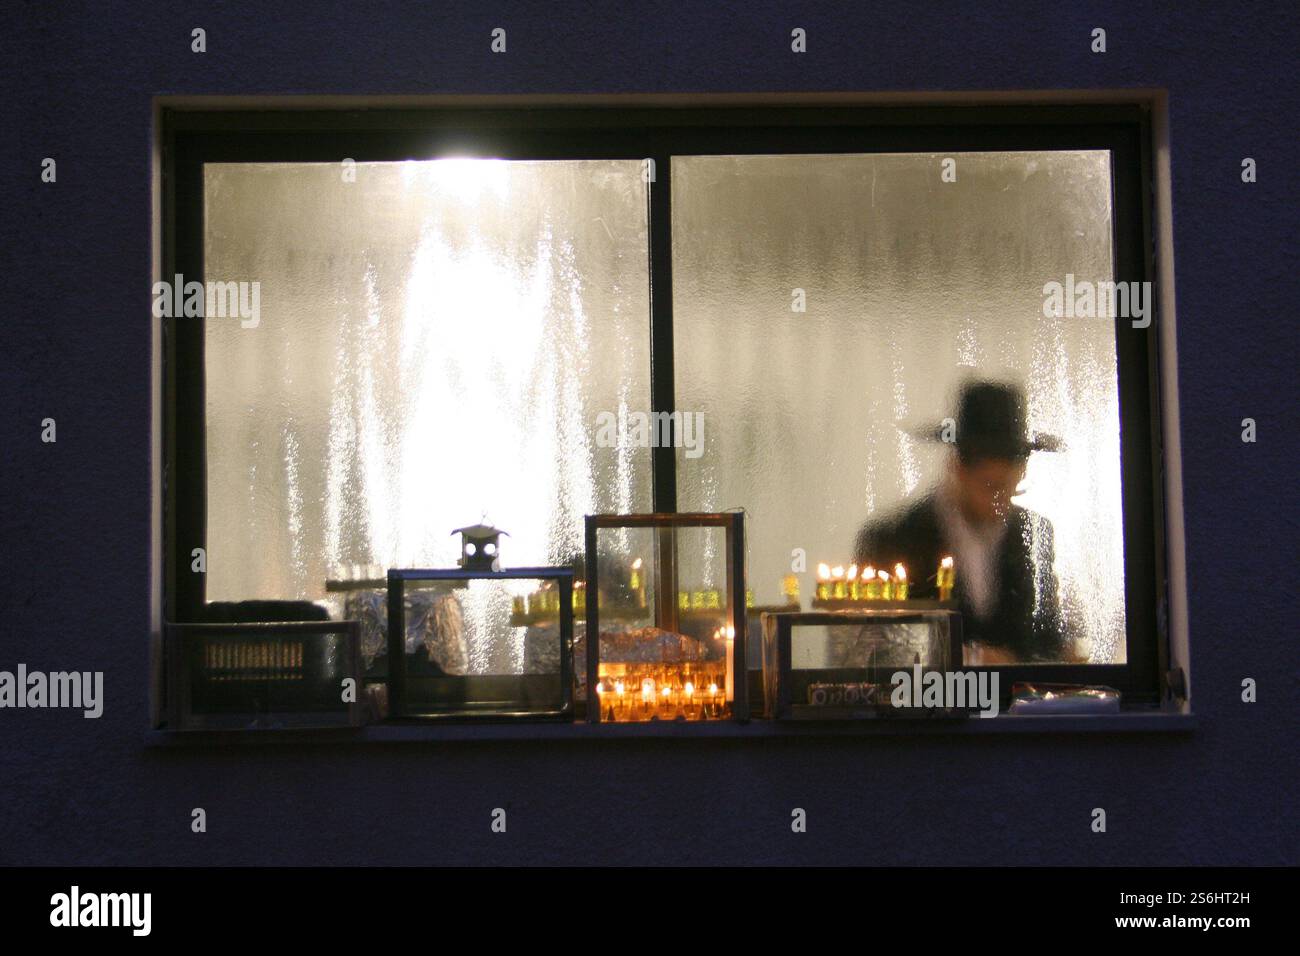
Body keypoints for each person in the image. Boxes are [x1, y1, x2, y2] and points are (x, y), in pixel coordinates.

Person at [853, 380, 1072, 663]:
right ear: (956, 468)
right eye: (990, 486)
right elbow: (869, 648)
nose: (1001, 500)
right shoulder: (893, 538)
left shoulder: (1034, 533)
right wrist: (966, 658)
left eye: (1011, 486)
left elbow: (1047, 638)